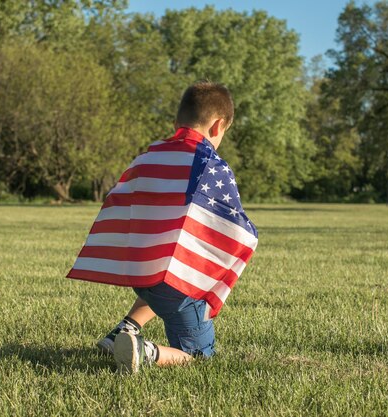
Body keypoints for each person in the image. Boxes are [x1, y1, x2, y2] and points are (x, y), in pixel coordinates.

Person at [67, 81, 258, 373]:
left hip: (141, 273)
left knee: (163, 261)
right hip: (175, 290)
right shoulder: (209, 166)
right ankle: (145, 351)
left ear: (176, 121)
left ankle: (123, 330)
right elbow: (233, 231)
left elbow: (120, 204)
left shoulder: (146, 158)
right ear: (218, 126)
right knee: (199, 355)